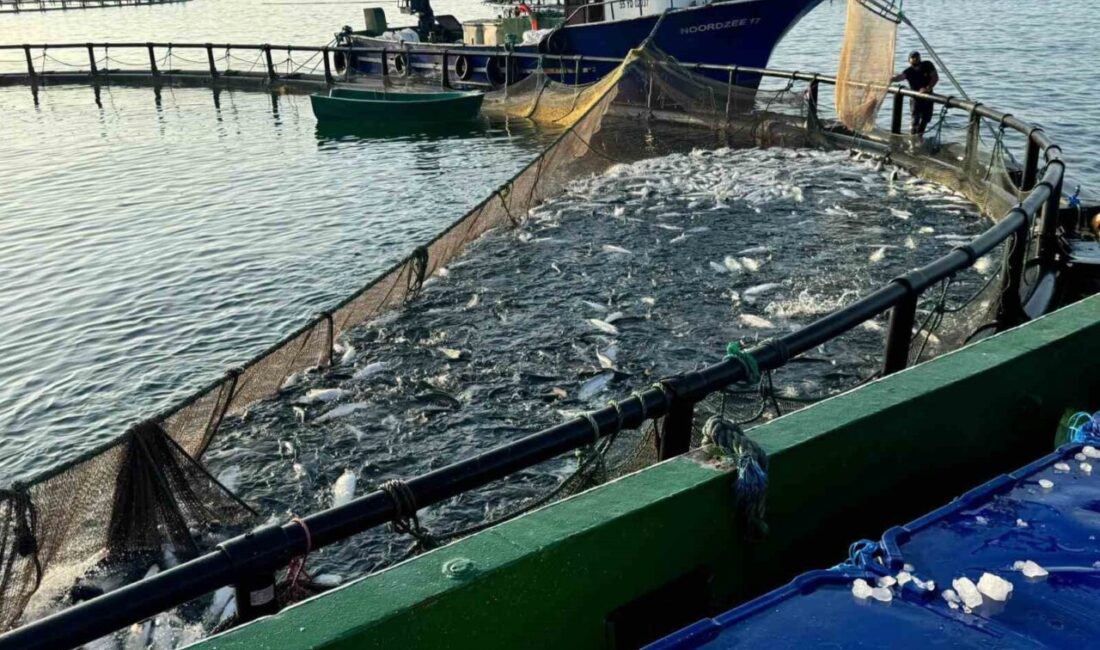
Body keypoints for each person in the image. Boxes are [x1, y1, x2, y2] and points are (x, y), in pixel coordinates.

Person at [892, 51, 939, 135]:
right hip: (915, 98)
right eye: (913, 58)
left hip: (928, 97)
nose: (916, 59)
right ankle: (913, 137)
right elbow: (900, 77)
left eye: (917, 57)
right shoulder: (908, 71)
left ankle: (920, 136)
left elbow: (935, 77)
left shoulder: (927, 65)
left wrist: (928, 88)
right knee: (915, 121)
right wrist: (890, 79)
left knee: (925, 120)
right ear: (909, 60)